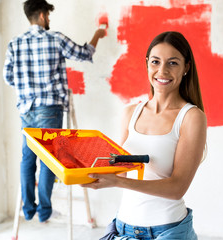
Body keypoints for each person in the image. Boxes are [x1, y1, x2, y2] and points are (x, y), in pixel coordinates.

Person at [82, 31, 207, 239]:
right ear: (147, 63)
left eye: (173, 63)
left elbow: (177, 188)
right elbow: (120, 172)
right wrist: (83, 171)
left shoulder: (191, 117)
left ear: (186, 67)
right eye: (156, 62)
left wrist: (119, 182)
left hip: (168, 231)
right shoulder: (130, 113)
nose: (162, 70)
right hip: (122, 228)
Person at [3, 0, 106, 223]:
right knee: (48, 159)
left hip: (26, 108)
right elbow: (83, 54)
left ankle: (28, 209)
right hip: (49, 107)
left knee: (28, 158)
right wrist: (97, 34)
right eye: (48, 16)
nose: (49, 20)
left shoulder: (15, 43)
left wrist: (27, 87)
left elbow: (8, 77)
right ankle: (45, 211)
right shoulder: (55, 38)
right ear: (41, 15)